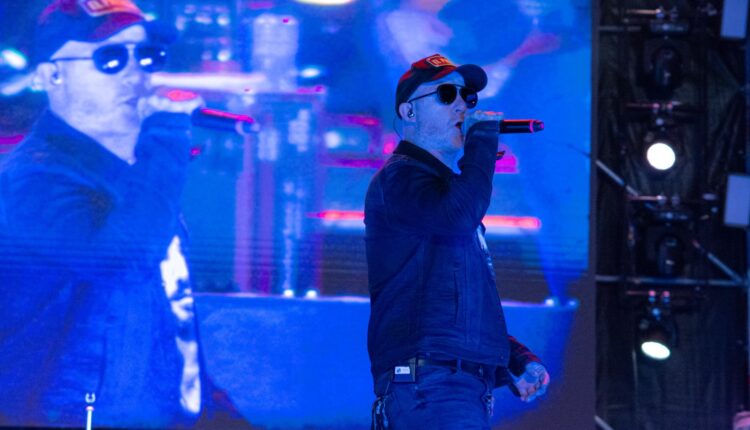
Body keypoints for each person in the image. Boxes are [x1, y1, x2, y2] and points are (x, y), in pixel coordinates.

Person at [0, 1, 246, 428]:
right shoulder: (29, 182)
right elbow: (123, 264)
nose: (136, 73)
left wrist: (215, 412)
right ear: (50, 75)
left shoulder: (132, 177)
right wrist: (167, 135)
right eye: (110, 58)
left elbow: (171, 325)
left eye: (146, 56)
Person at [365, 53, 550, 429]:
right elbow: (459, 217)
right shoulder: (400, 178)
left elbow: (454, 299)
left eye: (468, 97)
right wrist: (481, 143)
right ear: (409, 112)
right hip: (432, 386)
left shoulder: (445, 193)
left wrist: (513, 359)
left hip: (451, 387)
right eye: (447, 94)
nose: (463, 105)